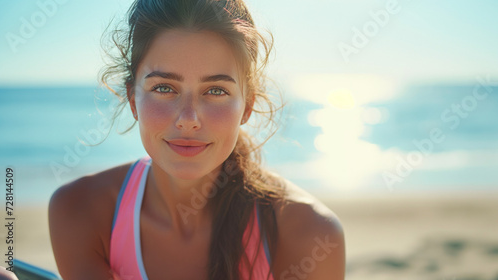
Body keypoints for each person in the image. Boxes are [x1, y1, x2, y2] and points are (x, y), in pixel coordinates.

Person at [48, 0, 345, 279]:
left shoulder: (309, 233)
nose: (188, 119)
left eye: (215, 90)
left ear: (247, 106)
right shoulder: (80, 211)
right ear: (133, 100)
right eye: (164, 88)